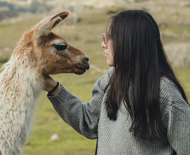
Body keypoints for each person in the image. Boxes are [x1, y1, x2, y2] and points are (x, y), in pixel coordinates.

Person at [43, 9, 190, 154]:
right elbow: (89, 122)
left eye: (107, 38)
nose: (103, 44)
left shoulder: (165, 92)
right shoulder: (110, 79)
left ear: (127, 41)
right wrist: (53, 88)